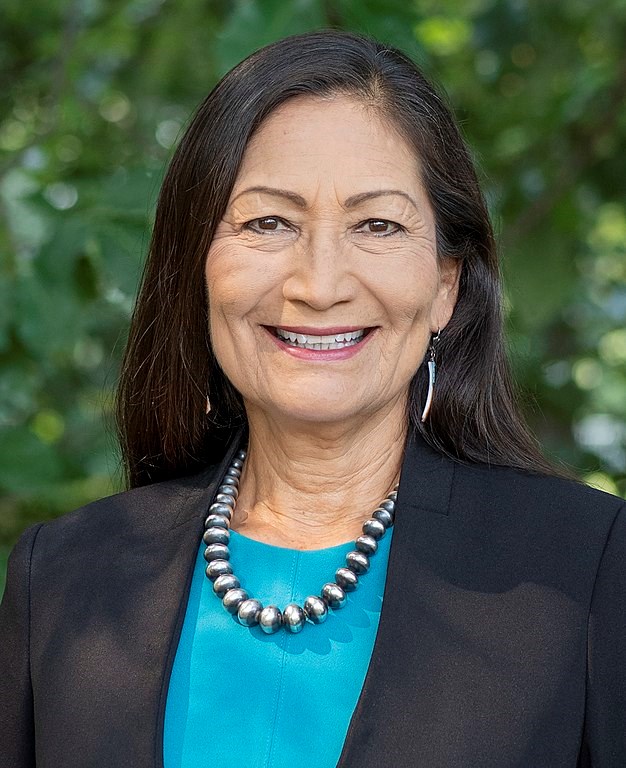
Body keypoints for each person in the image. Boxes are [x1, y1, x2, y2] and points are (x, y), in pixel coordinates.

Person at [0, 29, 624, 768]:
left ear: (445, 286)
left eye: (377, 225)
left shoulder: (585, 569)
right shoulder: (67, 574)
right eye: (268, 222)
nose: (319, 283)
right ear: (197, 265)